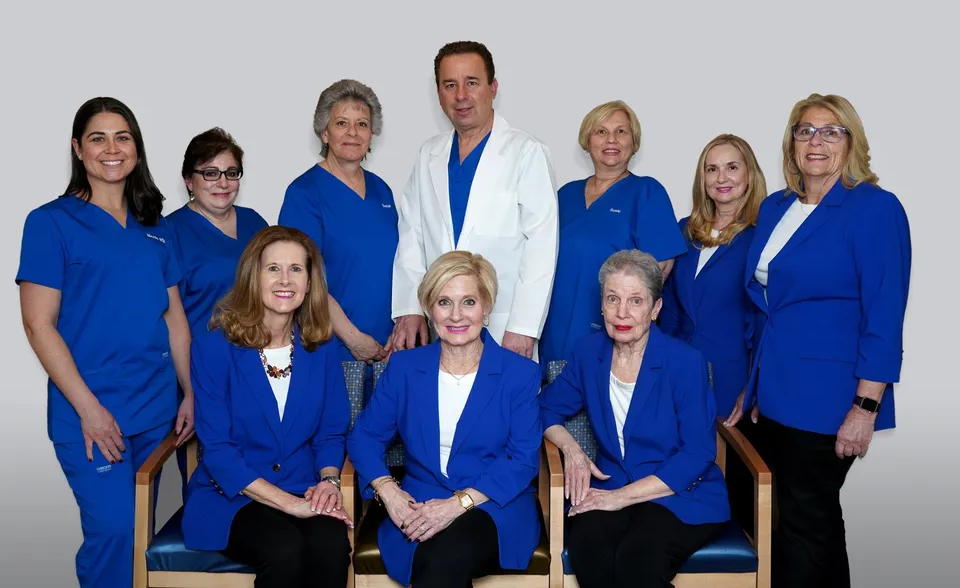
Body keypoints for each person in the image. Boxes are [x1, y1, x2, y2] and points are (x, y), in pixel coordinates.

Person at [728, 93, 912, 588]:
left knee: (804, 525)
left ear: (851, 143)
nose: (816, 140)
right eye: (805, 130)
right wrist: (755, 384)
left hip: (831, 398)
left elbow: (885, 313)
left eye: (831, 131)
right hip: (775, 394)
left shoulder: (874, 208)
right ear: (791, 143)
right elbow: (768, 307)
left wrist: (866, 407)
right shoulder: (776, 207)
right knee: (799, 521)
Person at [16, 96, 194, 588]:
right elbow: (38, 326)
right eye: (98, 138)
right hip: (91, 410)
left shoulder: (155, 228)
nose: (111, 148)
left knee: (138, 534)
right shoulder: (50, 223)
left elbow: (175, 318)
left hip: (155, 409)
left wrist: (191, 391)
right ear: (77, 148)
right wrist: (90, 411)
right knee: (113, 531)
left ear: (136, 148)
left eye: (123, 137)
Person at [348, 251, 543, 587]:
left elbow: (523, 460)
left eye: (468, 302)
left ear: (487, 307)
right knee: (435, 558)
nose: (456, 315)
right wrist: (388, 492)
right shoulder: (405, 369)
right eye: (443, 302)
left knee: (443, 557)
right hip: (416, 505)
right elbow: (364, 437)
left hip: (493, 506)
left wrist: (458, 503)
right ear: (429, 308)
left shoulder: (520, 374)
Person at [539, 250, 729, 588]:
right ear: (601, 304)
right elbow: (544, 408)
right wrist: (571, 450)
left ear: (655, 309)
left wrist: (618, 499)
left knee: (636, 561)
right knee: (589, 550)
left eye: (636, 301)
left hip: (678, 495)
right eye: (613, 299)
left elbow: (698, 453)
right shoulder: (588, 353)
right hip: (609, 484)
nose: (622, 313)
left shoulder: (685, 362)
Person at [182, 226, 353, 588]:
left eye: (296, 269)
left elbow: (331, 431)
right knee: (284, 548)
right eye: (272, 268)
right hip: (230, 497)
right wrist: (290, 506)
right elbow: (218, 451)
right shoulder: (212, 349)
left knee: (331, 547)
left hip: (303, 486)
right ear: (252, 277)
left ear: (309, 283)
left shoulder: (321, 349)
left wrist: (328, 480)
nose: (285, 279)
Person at [388, 40, 558, 360]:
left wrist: (524, 326)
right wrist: (410, 307)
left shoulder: (526, 152)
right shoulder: (429, 155)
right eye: (450, 85)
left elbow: (542, 244)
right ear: (438, 93)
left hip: (503, 323)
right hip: (441, 320)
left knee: (502, 405)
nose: (461, 95)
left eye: (472, 83)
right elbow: (412, 234)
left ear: (493, 88)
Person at [539, 100, 686, 366]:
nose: (611, 139)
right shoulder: (564, 195)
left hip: (615, 340)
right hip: (555, 334)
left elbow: (658, 272)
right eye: (601, 131)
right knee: (556, 403)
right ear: (587, 141)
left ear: (634, 142)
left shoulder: (647, 193)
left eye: (621, 131)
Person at [278, 79, 398, 401]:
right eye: (341, 123)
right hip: (336, 350)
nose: (352, 133)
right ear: (324, 132)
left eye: (362, 124)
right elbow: (301, 279)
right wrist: (355, 339)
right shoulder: (304, 194)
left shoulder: (382, 191)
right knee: (339, 447)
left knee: (390, 449)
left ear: (372, 134)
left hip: (390, 351)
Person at [166, 127, 268, 492]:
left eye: (231, 172)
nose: (222, 182)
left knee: (265, 470)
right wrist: (189, 390)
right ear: (188, 181)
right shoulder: (169, 233)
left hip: (259, 369)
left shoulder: (255, 223)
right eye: (210, 172)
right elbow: (170, 316)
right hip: (202, 376)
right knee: (212, 480)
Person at [659, 133, 767, 417]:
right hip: (677, 372)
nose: (722, 178)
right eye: (712, 169)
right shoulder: (684, 232)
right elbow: (669, 309)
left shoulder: (763, 236)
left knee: (727, 459)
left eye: (732, 167)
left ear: (749, 174)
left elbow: (765, 320)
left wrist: (755, 387)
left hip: (733, 376)